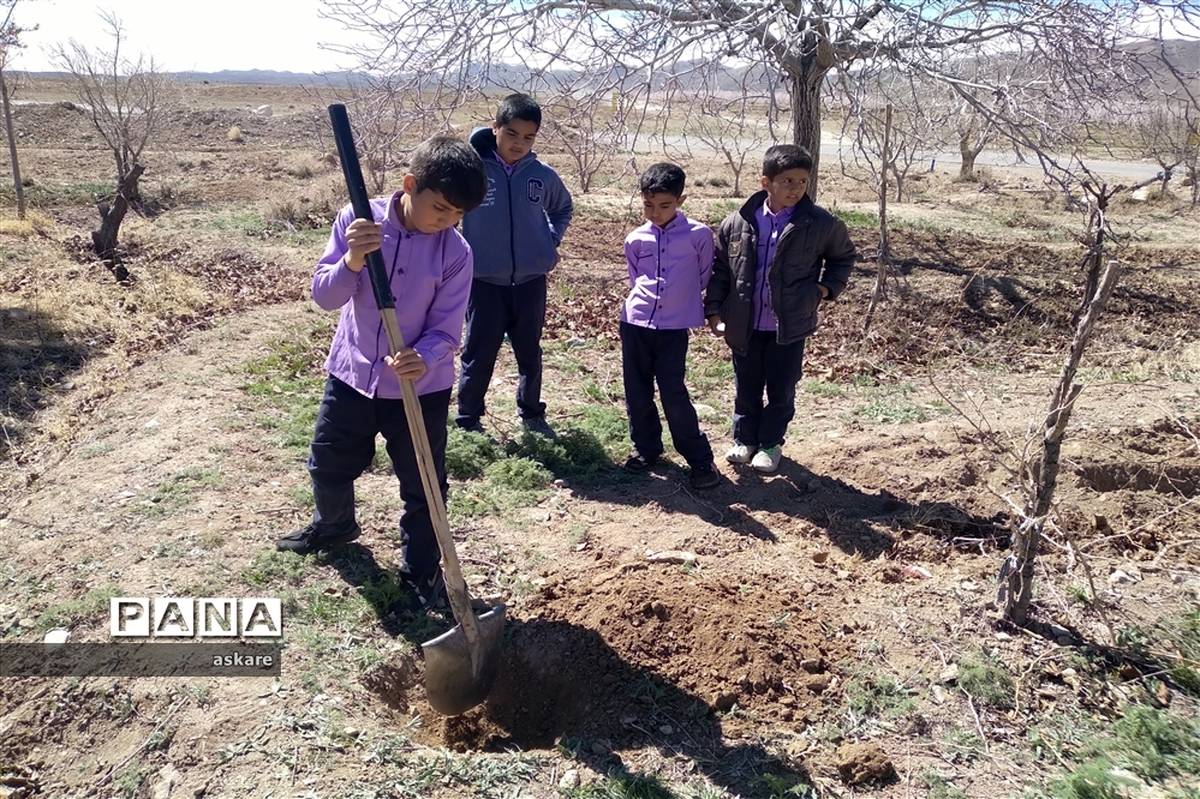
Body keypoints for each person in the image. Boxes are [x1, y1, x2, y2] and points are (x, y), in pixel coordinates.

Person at [276, 135, 487, 610]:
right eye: (441, 208)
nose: (447, 221)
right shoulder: (359, 221)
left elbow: (447, 331)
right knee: (327, 461)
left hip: (420, 387)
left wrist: (424, 356)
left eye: (458, 215)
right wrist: (352, 260)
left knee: (424, 485)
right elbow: (325, 296)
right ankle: (335, 524)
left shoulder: (456, 252)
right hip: (353, 374)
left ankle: (420, 573)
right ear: (411, 185)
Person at [704, 144, 857, 474]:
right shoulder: (738, 222)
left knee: (781, 387)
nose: (796, 188)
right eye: (787, 181)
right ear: (766, 182)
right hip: (745, 322)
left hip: (787, 326)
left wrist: (823, 289)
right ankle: (744, 440)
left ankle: (771, 444)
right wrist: (714, 309)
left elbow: (843, 257)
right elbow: (721, 269)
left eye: (803, 181)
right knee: (746, 384)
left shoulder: (819, 224)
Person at [455, 93, 574, 437]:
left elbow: (563, 209)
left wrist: (549, 242)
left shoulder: (542, 175)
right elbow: (449, 213)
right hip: (483, 282)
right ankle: (468, 418)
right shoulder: (473, 172)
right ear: (495, 129)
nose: (519, 143)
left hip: (530, 282)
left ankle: (532, 413)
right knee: (478, 353)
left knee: (529, 352)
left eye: (528, 137)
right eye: (511, 134)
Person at [620, 162, 721, 490]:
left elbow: (704, 275)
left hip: (673, 329)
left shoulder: (699, 235)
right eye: (648, 205)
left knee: (673, 392)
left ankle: (700, 459)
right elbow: (637, 280)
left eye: (664, 205)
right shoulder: (635, 239)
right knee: (637, 391)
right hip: (636, 323)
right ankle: (646, 448)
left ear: (680, 200)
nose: (655, 212)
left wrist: (682, 304)